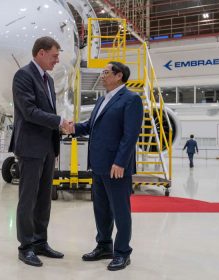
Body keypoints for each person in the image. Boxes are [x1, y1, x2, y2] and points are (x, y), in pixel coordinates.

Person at [65, 61, 143, 271]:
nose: (102, 76)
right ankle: (104, 246)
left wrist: (120, 162)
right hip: (98, 165)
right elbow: (90, 126)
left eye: (106, 72)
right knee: (101, 210)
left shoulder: (131, 99)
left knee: (120, 211)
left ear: (119, 76)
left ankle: (122, 252)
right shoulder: (103, 100)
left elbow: (130, 135)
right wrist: (71, 128)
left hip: (116, 167)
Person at [10, 36, 71, 267]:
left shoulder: (49, 80)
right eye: (55, 56)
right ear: (41, 53)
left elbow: (45, 111)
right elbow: (29, 111)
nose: (57, 60)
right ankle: (25, 247)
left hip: (47, 147)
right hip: (30, 147)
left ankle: (40, 242)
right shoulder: (23, 76)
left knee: (44, 198)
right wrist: (59, 121)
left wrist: (59, 128)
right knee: (28, 199)